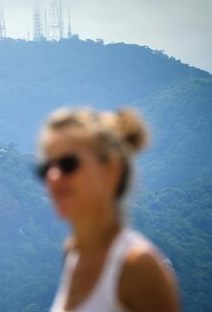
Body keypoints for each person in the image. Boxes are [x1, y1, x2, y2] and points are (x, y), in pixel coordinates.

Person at [37, 107, 180, 312]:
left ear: (111, 170)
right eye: (46, 167)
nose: (53, 177)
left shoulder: (138, 266)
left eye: (68, 164)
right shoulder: (74, 252)